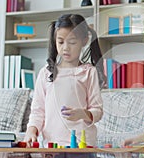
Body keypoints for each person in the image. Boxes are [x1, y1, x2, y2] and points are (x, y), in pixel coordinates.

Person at [24, 14, 103, 155]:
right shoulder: (45, 73)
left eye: (72, 42)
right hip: (52, 147)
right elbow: (37, 111)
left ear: (84, 41)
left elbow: (97, 111)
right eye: (60, 42)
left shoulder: (88, 72)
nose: (65, 48)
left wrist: (83, 114)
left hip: (82, 146)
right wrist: (31, 130)